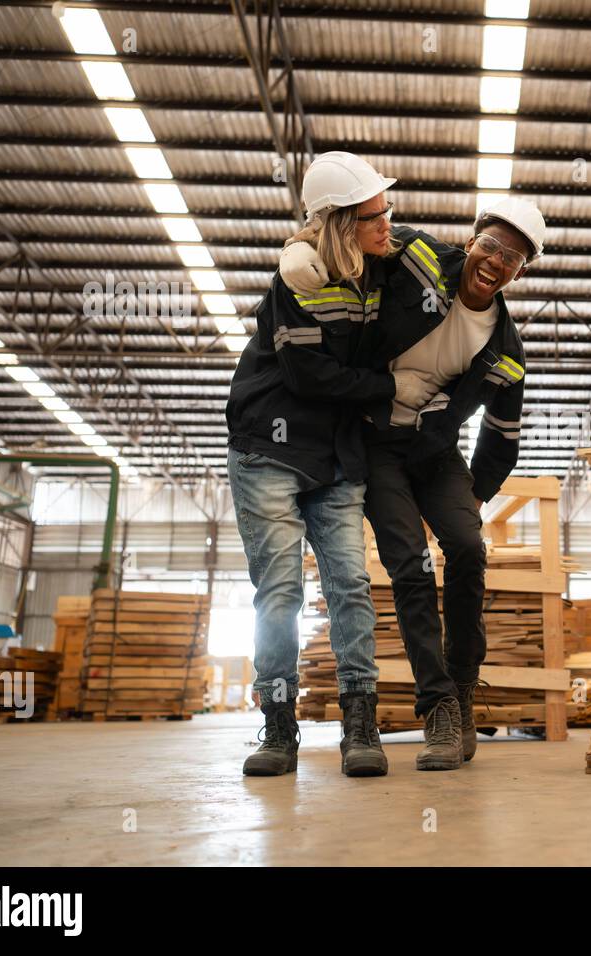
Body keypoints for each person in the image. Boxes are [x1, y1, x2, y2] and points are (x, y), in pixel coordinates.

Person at [280, 197, 545, 770]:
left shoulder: (506, 349)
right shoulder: (420, 253)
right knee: (410, 563)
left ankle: (464, 689)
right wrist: (298, 248)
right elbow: (354, 235)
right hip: (375, 440)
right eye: (492, 246)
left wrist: (472, 498)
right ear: (472, 241)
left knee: (469, 548)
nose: (496, 263)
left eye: (514, 259)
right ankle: (438, 708)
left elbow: (501, 433)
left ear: (521, 273)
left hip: (433, 449)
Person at [226, 152, 439, 778]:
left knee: (349, 584)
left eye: (387, 211)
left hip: (339, 456)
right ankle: (278, 727)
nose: (388, 224)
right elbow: (308, 374)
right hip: (269, 447)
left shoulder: (382, 265)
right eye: (374, 216)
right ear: (341, 224)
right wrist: (385, 388)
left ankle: (359, 723)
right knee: (281, 592)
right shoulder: (296, 280)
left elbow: (442, 257)